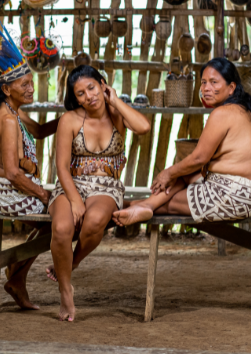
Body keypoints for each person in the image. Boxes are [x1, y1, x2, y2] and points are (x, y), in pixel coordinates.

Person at [46, 64, 151, 321]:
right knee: (61, 227)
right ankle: (65, 291)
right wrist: (74, 200)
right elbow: (61, 167)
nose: (89, 96)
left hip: (106, 187)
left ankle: (71, 264)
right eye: (80, 93)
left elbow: (144, 127)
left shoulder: (117, 114)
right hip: (71, 184)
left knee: (93, 221)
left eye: (92, 88)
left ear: (102, 84)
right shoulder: (70, 120)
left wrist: (114, 100)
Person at [112, 57, 251, 226]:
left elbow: (199, 158)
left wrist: (168, 173)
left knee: (170, 201)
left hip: (236, 197)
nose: (206, 88)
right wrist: (176, 173)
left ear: (231, 88)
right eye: (203, 82)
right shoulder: (245, 110)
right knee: (184, 175)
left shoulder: (223, 113)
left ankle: (132, 206)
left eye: (214, 82)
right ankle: (143, 206)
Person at [0, 22, 59, 311]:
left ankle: (17, 273)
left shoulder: (9, 110)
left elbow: (38, 131)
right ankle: (16, 275)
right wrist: (42, 194)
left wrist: (69, 119)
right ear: (6, 88)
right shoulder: (8, 119)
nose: (31, 88)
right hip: (3, 191)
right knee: (62, 219)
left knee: (58, 216)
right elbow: (13, 173)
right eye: (24, 84)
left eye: (31, 82)